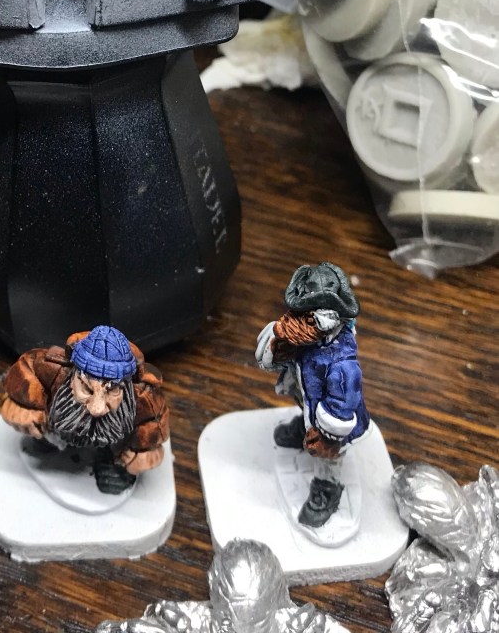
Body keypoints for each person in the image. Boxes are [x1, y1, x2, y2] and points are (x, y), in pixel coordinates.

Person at [256, 262, 369, 528]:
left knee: (329, 459)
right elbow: (283, 356)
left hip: (334, 423)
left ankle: (327, 489)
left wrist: (328, 436)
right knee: (306, 411)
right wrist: (279, 345)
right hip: (308, 398)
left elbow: (342, 404)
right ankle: (304, 427)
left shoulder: (342, 362)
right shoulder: (308, 336)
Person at [0, 325, 168, 494]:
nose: (97, 408)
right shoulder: (52, 369)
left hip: (113, 438)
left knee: (119, 455)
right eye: (87, 389)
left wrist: (141, 450)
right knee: (48, 430)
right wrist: (27, 406)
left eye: (112, 391)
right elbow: (27, 367)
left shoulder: (143, 396)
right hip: (60, 425)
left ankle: (111, 462)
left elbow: (154, 422)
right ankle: (50, 441)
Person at [96, 538, 349, 633]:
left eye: (257, 621)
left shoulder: (307, 627)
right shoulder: (184, 624)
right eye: (229, 623)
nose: (243, 629)